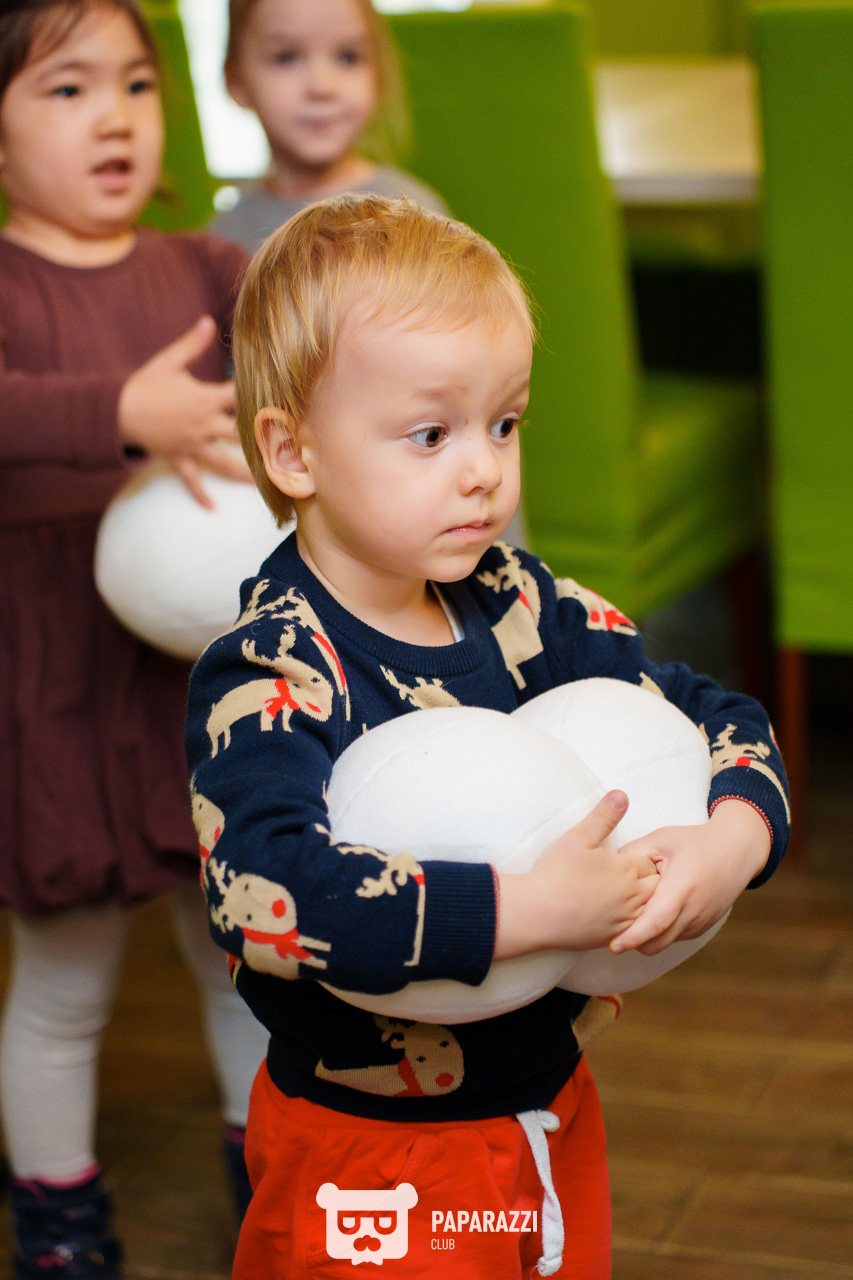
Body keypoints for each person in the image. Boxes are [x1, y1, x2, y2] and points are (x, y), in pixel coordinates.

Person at [185, 195, 790, 1280]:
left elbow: (711, 715)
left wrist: (733, 838)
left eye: (503, 424)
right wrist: (525, 912)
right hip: (370, 1150)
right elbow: (267, 894)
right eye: (431, 434)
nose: (483, 471)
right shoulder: (276, 669)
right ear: (293, 451)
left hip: (547, 1102)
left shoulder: (519, 605)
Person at [0, 2, 269, 1275]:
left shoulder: (207, 269)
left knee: (241, 954)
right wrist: (122, 407)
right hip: (52, 689)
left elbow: (298, 364)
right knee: (64, 985)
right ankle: (58, 1215)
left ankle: (272, 1172)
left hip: (202, 688)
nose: (112, 115)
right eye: (66, 89)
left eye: (136, 84)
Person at [210, 0, 448, 256]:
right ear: (236, 81)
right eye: (286, 57)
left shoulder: (417, 219)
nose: (322, 86)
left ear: (378, 74)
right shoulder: (221, 242)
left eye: (348, 57)